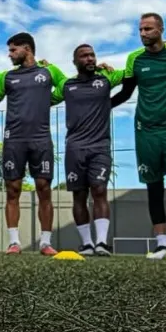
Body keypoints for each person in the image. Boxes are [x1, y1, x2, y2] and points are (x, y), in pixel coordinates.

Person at [111, 14, 166, 259]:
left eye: (148, 28)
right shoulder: (135, 59)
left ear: (161, 29)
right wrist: (102, 106)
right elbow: (126, 92)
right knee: (154, 187)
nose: (143, 33)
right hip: (145, 132)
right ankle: (162, 244)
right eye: (140, 29)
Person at [0, 32, 66, 256]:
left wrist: (48, 101)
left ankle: (45, 242)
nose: (10, 55)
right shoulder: (7, 77)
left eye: (13, 50)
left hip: (41, 139)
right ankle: (14, 242)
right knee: (12, 189)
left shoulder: (49, 71)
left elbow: (66, 88)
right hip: (13, 140)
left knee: (44, 189)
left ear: (27, 48)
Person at [55, 44, 124, 256]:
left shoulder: (105, 80)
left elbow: (130, 78)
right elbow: (44, 99)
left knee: (99, 190)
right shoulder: (67, 85)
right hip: (74, 147)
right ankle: (87, 244)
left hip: (100, 146)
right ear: (75, 62)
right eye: (84, 56)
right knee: (79, 195)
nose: (90, 59)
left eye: (92, 55)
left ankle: (102, 242)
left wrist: (107, 105)